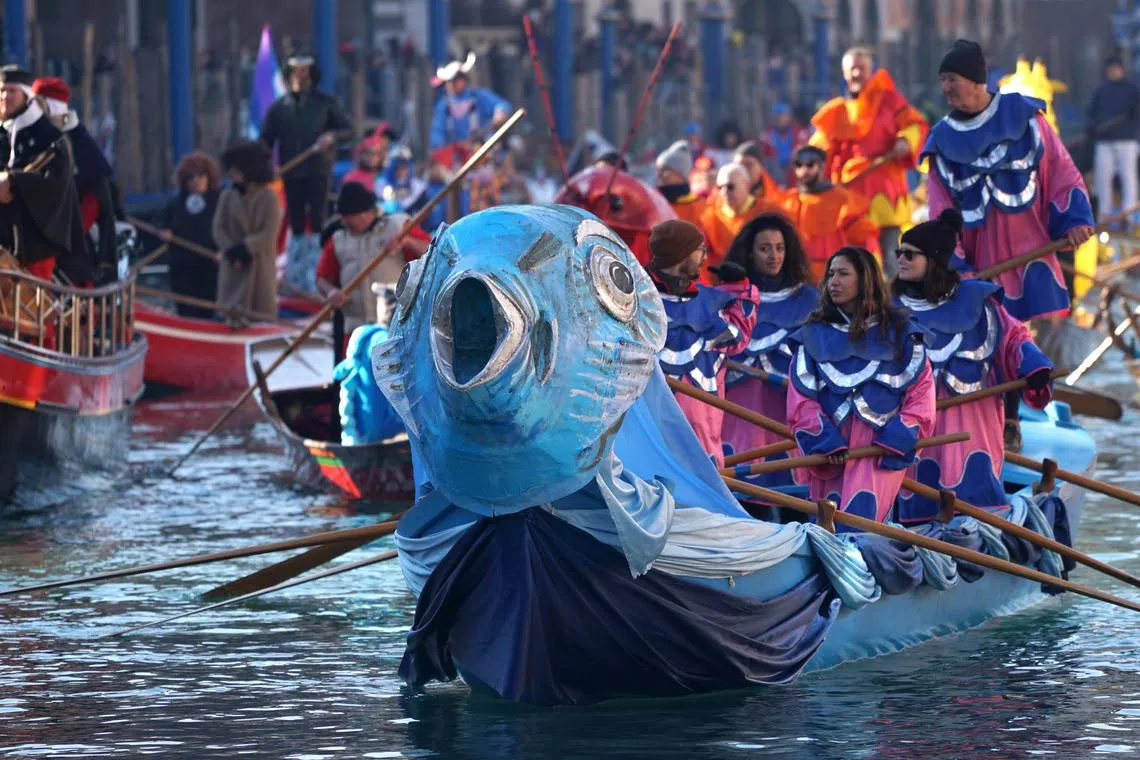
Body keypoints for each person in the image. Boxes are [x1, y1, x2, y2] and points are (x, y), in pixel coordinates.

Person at [891, 209, 1053, 522]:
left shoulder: (978, 301)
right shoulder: (891, 309)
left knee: (973, 495)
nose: (901, 259)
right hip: (917, 427)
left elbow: (1014, 336)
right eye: (900, 252)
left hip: (973, 422)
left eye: (910, 254)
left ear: (934, 260)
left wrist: (1034, 367)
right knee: (918, 499)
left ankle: (979, 530)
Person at [924, 40, 1094, 322]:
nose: (945, 88)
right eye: (942, 80)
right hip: (980, 274)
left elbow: (1060, 170)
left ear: (976, 81)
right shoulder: (942, 140)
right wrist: (954, 266)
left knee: (1040, 354)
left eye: (952, 79)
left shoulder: (1025, 117)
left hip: (1036, 262)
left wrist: (1074, 220)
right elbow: (940, 213)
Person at [786, 246, 935, 527]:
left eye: (843, 274)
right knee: (825, 530)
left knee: (862, 526)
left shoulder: (902, 332)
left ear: (865, 279)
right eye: (831, 274)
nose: (834, 282)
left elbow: (921, 396)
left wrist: (896, 438)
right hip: (831, 454)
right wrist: (825, 442)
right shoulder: (812, 334)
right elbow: (801, 400)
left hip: (878, 452)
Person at [809, 46, 928, 277]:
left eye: (861, 68)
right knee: (855, 262)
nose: (856, 74)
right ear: (844, 73)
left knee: (892, 263)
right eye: (852, 68)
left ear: (870, 70)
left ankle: (895, 308)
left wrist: (905, 140)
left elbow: (916, 124)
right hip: (850, 197)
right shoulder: (837, 111)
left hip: (885, 194)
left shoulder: (890, 101)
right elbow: (817, 149)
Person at [648, 219, 758, 467]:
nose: (705, 256)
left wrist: (738, 289)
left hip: (703, 443)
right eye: (699, 249)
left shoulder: (712, 302)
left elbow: (738, 338)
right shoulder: (639, 300)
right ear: (681, 253)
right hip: (651, 442)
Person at [722, 214, 819, 486]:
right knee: (744, 493)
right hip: (739, 408)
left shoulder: (808, 298)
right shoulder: (730, 297)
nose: (773, 256)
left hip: (788, 408)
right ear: (750, 253)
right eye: (765, 249)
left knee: (793, 493)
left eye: (780, 248)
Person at [259, 54, 353, 295]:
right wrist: (267, 169)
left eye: (305, 70)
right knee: (297, 223)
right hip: (291, 173)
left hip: (318, 170)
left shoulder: (325, 103)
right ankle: (296, 277)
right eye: (296, 71)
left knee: (320, 220)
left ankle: (319, 276)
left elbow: (348, 130)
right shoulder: (280, 108)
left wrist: (331, 137)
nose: (301, 76)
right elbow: (265, 142)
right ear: (289, 75)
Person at [0, 65, 88, 284]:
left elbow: (55, 184)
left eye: (12, 91)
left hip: (34, 242)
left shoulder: (48, 137)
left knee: (33, 308)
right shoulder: (3, 133)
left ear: (25, 95)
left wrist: (14, 182)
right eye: (1, 91)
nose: (5, 96)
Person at [32, 76, 119, 284]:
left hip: (69, 244)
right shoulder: (30, 137)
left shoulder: (79, 143)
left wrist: (68, 234)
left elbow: (95, 195)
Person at [316, 182, 428, 333]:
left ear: (367, 213)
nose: (344, 222)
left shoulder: (399, 226)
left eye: (349, 218)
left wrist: (408, 242)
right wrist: (330, 292)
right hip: (354, 332)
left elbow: (433, 254)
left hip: (396, 329)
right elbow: (321, 278)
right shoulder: (337, 239)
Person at [780, 145, 881, 283]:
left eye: (810, 164)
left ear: (822, 167)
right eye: (799, 165)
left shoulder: (843, 199)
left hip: (836, 277)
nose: (804, 170)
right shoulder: (788, 201)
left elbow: (865, 241)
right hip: (799, 277)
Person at [213, 140, 283, 321]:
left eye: (237, 169)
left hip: (259, 264)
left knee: (260, 312)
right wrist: (232, 251)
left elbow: (269, 233)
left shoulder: (269, 198)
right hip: (233, 265)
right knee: (230, 311)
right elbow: (218, 228)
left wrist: (246, 248)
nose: (232, 173)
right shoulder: (227, 196)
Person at [161, 151, 221, 319]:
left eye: (201, 176)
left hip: (210, 262)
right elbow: (165, 225)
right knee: (186, 309)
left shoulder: (219, 201)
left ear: (209, 177)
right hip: (183, 265)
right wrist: (165, 233)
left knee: (208, 308)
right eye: (191, 178)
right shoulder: (175, 203)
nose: (196, 181)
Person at [700, 162, 782, 282]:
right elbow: (704, 260)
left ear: (746, 185)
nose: (724, 192)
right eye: (720, 187)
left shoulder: (769, 211)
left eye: (730, 186)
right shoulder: (709, 218)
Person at [1087, 55, 1140, 223]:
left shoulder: (1132, 90)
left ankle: (1129, 214)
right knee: (1103, 178)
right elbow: (1091, 115)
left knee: (1128, 177)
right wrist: (1094, 128)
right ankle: (1104, 215)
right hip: (1105, 141)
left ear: (1121, 70)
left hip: (1127, 140)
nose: (1113, 72)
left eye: (1115, 69)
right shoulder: (1100, 91)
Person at [429, 52, 510, 151]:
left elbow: (501, 105)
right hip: (455, 156)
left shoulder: (478, 97)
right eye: (449, 81)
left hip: (481, 151)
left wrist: (500, 113)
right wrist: (440, 151)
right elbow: (437, 132)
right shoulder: (443, 106)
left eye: (456, 80)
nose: (452, 84)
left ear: (464, 79)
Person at [655, 140, 707, 227]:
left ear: (680, 175)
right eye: (658, 170)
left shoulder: (700, 207)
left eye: (665, 170)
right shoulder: (655, 201)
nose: (660, 175)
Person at [341, 122, 396, 191]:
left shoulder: (388, 176)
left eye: (376, 154)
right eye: (368, 153)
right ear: (361, 154)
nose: (372, 157)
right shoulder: (351, 179)